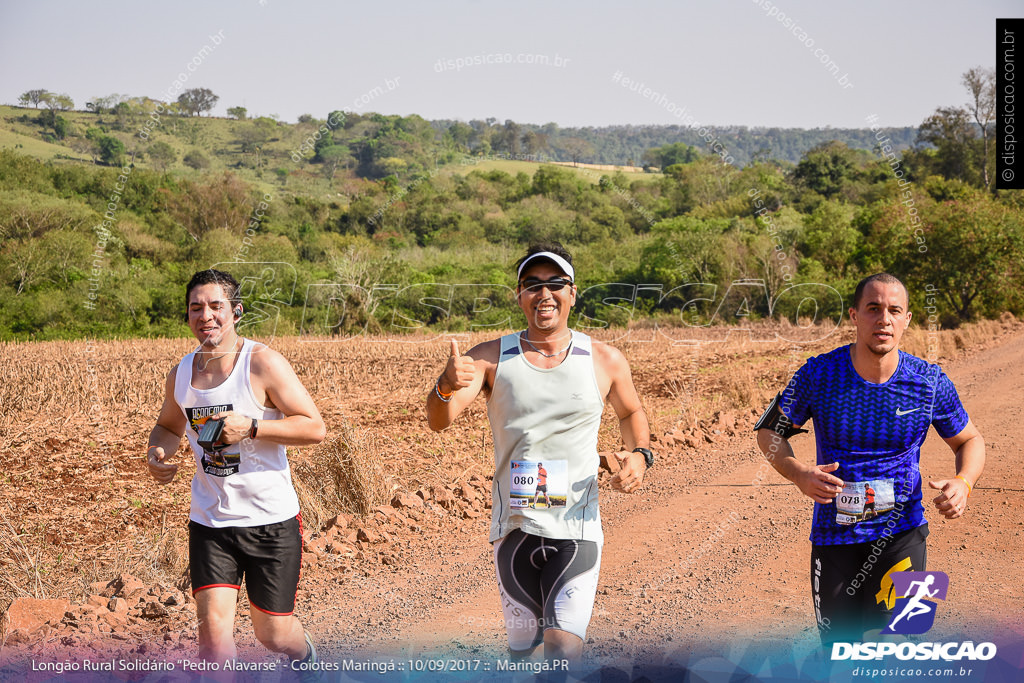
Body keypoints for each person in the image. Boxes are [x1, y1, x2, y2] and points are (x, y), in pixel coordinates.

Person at [426, 243, 654, 668]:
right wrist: (444, 383)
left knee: (563, 649)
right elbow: (440, 419)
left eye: (555, 284)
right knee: (524, 658)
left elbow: (631, 411)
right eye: (532, 285)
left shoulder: (604, 359)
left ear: (572, 293)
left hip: (577, 525)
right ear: (518, 296)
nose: (543, 294)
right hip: (515, 526)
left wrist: (639, 455)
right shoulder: (490, 358)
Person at [754, 273, 985, 645]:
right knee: (841, 656)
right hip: (835, 540)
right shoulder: (819, 374)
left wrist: (964, 482)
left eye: (895, 310)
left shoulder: (928, 381)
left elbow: (969, 440)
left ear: (907, 319)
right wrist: (798, 473)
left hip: (904, 533)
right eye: (873, 309)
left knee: (900, 647)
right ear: (854, 315)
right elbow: (769, 432)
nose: (884, 319)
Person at [146, 269, 327, 673]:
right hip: (210, 521)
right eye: (196, 308)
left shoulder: (262, 363)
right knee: (212, 637)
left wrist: (254, 426)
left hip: (270, 521)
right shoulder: (182, 373)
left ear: (236, 312)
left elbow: (314, 427)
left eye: (216, 306)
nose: (205, 315)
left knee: (274, 634)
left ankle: (308, 660)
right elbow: (168, 426)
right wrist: (158, 451)